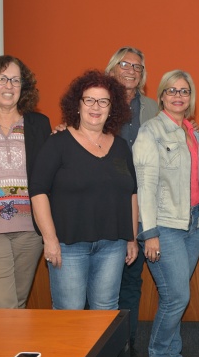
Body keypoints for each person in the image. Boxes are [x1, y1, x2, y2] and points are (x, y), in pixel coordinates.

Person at [29, 70, 138, 312]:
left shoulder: (120, 147)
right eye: (89, 100)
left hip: (113, 244)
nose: (96, 107)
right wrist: (50, 239)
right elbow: (38, 192)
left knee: (106, 310)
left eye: (103, 101)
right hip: (68, 245)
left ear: (112, 107)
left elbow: (131, 193)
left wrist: (130, 238)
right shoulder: (57, 143)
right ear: (77, 105)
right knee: (70, 311)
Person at [134, 70, 199, 357]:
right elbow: (145, 186)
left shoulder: (192, 131)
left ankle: (174, 354)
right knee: (177, 297)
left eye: (184, 91)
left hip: (194, 223)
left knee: (176, 295)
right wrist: (150, 234)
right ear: (161, 96)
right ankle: (158, 356)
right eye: (171, 90)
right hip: (165, 227)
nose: (178, 96)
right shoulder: (151, 131)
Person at [0, 55, 51, 309]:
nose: (9, 85)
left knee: (17, 303)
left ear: (23, 87)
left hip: (30, 230)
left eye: (16, 80)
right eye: (2, 78)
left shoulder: (39, 124)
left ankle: (12, 349)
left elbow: (49, 173)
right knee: (2, 306)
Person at [105, 46, 157, 357]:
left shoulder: (152, 107)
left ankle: (127, 346)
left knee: (130, 282)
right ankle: (99, 349)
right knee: (101, 282)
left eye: (137, 66)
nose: (131, 70)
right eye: (124, 64)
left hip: (139, 203)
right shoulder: (96, 100)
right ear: (112, 68)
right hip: (103, 204)